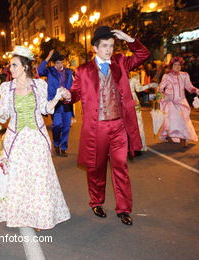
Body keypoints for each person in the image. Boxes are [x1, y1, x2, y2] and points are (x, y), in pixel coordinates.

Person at [63, 27, 150, 225]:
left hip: (119, 125)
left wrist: (129, 38)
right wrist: (68, 96)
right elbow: (75, 93)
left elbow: (143, 54)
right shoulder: (83, 70)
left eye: (111, 46)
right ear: (95, 47)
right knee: (96, 168)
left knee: (121, 167)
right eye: (105, 46)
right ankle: (96, 201)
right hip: (97, 128)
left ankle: (124, 209)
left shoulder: (121, 62)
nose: (109, 50)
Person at [0, 46, 70, 230]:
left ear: (25, 67)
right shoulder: (6, 88)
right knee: (19, 179)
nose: (10, 69)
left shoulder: (39, 85)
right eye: (10, 65)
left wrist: (57, 97)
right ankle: (21, 214)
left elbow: (46, 110)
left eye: (14, 65)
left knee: (39, 178)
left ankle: (40, 217)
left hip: (36, 138)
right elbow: (5, 116)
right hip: (16, 139)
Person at [159, 57, 199, 148]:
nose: (177, 66)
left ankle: (182, 138)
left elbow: (189, 86)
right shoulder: (167, 76)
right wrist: (164, 95)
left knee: (183, 120)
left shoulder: (184, 75)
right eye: (175, 64)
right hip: (170, 101)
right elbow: (160, 89)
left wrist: (196, 90)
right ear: (171, 66)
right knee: (174, 120)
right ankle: (175, 137)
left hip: (182, 101)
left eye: (179, 64)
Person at [38, 49, 73, 157]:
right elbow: (39, 70)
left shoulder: (69, 72)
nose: (59, 64)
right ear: (54, 63)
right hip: (55, 102)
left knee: (66, 126)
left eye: (61, 62)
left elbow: (72, 86)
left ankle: (63, 148)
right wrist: (48, 57)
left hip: (66, 103)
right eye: (57, 63)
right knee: (57, 125)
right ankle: (56, 144)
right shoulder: (49, 71)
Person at [129, 71, 158, 153]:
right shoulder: (134, 75)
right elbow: (139, 89)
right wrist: (150, 85)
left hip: (124, 103)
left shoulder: (116, 74)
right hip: (133, 103)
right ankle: (139, 146)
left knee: (127, 125)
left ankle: (129, 146)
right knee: (138, 125)